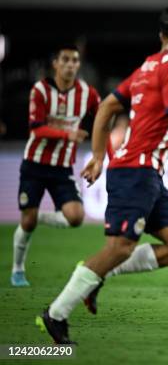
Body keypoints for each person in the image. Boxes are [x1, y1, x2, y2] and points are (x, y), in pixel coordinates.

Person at [37, 6, 168, 344]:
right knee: (119, 247)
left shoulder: (147, 66)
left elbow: (107, 106)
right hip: (135, 171)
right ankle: (56, 313)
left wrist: (97, 155)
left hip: (147, 172)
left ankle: (98, 275)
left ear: (161, 36)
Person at [12, 45, 99, 287]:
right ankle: (18, 270)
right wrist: (67, 135)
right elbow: (36, 129)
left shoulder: (87, 93)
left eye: (75, 60)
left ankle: (36, 215)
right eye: (66, 60)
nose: (71, 64)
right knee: (26, 223)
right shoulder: (40, 90)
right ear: (56, 64)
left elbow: (103, 115)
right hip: (34, 164)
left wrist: (100, 154)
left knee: (76, 216)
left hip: (62, 168)